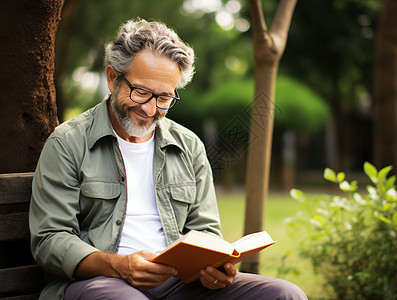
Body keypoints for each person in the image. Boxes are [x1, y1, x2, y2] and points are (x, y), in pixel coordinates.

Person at [29, 18, 307, 300]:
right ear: (113, 78)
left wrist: (215, 267)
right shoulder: (67, 143)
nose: (151, 109)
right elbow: (50, 239)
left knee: (285, 294)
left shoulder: (189, 146)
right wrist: (119, 266)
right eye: (141, 92)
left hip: (178, 283)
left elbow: (205, 230)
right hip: (100, 281)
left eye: (164, 98)